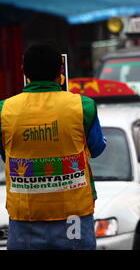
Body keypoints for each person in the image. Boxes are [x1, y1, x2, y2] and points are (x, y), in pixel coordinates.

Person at [0, 42, 106, 250]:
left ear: (24, 71)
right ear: (61, 71)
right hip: (74, 216)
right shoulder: (83, 106)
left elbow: (5, 154)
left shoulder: (4, 109)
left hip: (25, 218)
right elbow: (97, 149)